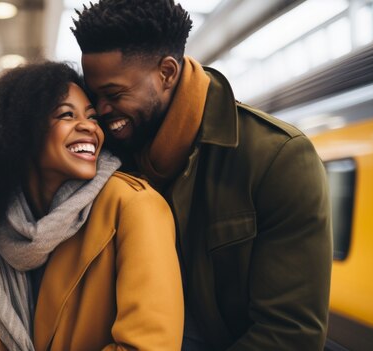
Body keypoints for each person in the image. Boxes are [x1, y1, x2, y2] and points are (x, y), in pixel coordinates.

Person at [72, 1, 333, 350]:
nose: (101, 112)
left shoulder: (276, 159)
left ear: (166, 72)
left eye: (115, 94)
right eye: (94, 96)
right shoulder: (105, 157)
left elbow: (289, 333)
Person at [0, 61, 183, 351]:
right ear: (20, 133)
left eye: (92, 117)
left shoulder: (134, 207)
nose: (89, 126)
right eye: (66, 115)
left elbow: (149, 346)